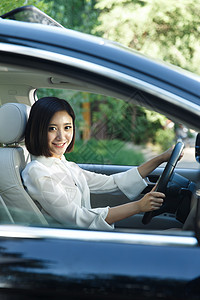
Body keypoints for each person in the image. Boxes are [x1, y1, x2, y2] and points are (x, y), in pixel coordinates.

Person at [22, 97, 175, 230]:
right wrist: (138, 206)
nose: (62, 136)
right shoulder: (37, 172)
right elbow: (77, 218)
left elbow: (112, 183)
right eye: (52, 129)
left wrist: (161, 158)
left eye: (67, 127)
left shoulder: (65, 164)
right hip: (70, 246)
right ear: (38, 131)